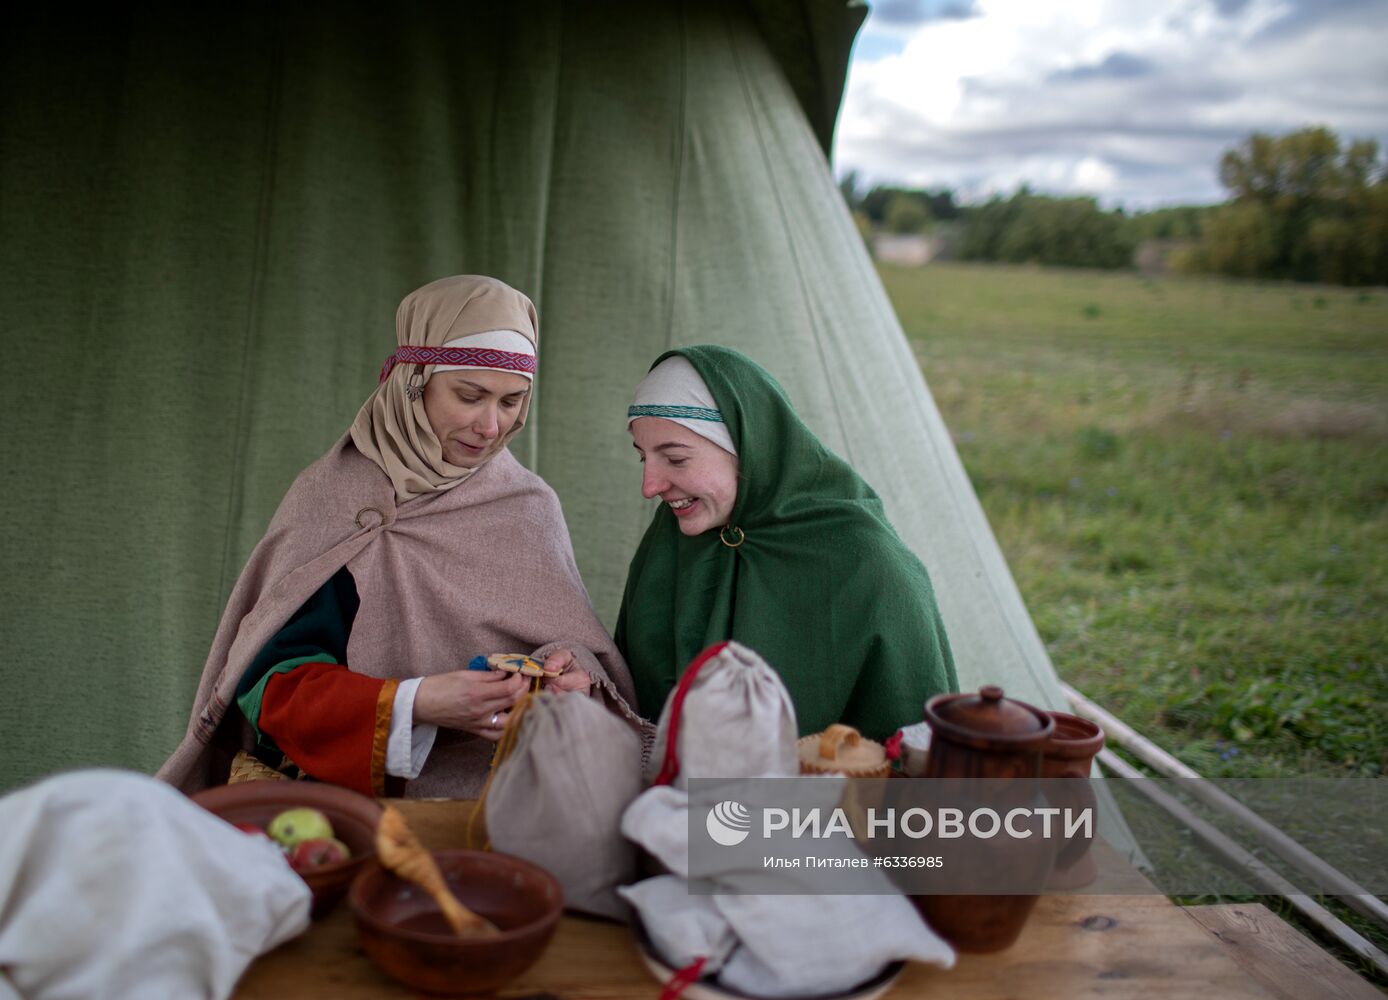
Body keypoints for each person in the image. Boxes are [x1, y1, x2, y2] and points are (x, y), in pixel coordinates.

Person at [159, 276, 636, 798]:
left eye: (511, 401)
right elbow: (271, 690)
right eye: (470, 395)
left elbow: (572, 646)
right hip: (345, 812)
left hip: (503, 806)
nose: (492, 426)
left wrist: (569, 671)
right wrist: (414, 702)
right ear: (414, 380)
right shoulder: (336, 499)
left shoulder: (528, 507)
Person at [616, 346, 956, 741]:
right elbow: (633, 694)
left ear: (749, 446)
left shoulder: (868, 562)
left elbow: (917, 749)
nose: (650, 486)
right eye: (643, 457)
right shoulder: (672, 535)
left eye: (675, 459)